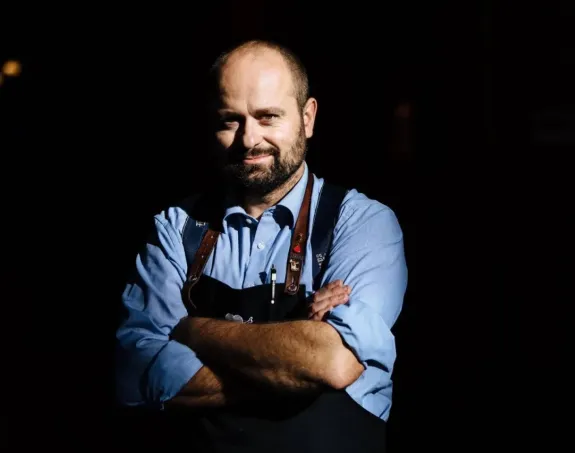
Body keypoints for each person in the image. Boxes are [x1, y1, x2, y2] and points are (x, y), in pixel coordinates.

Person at [114, 39, 407, 453]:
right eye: (230, 120)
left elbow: (333, 360)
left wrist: (191, 330)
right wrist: (297, 357)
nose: (249, 139)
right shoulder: (176, 228)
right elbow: (133, 371)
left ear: (307, 118)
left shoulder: (363, 223)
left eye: (268, 117)